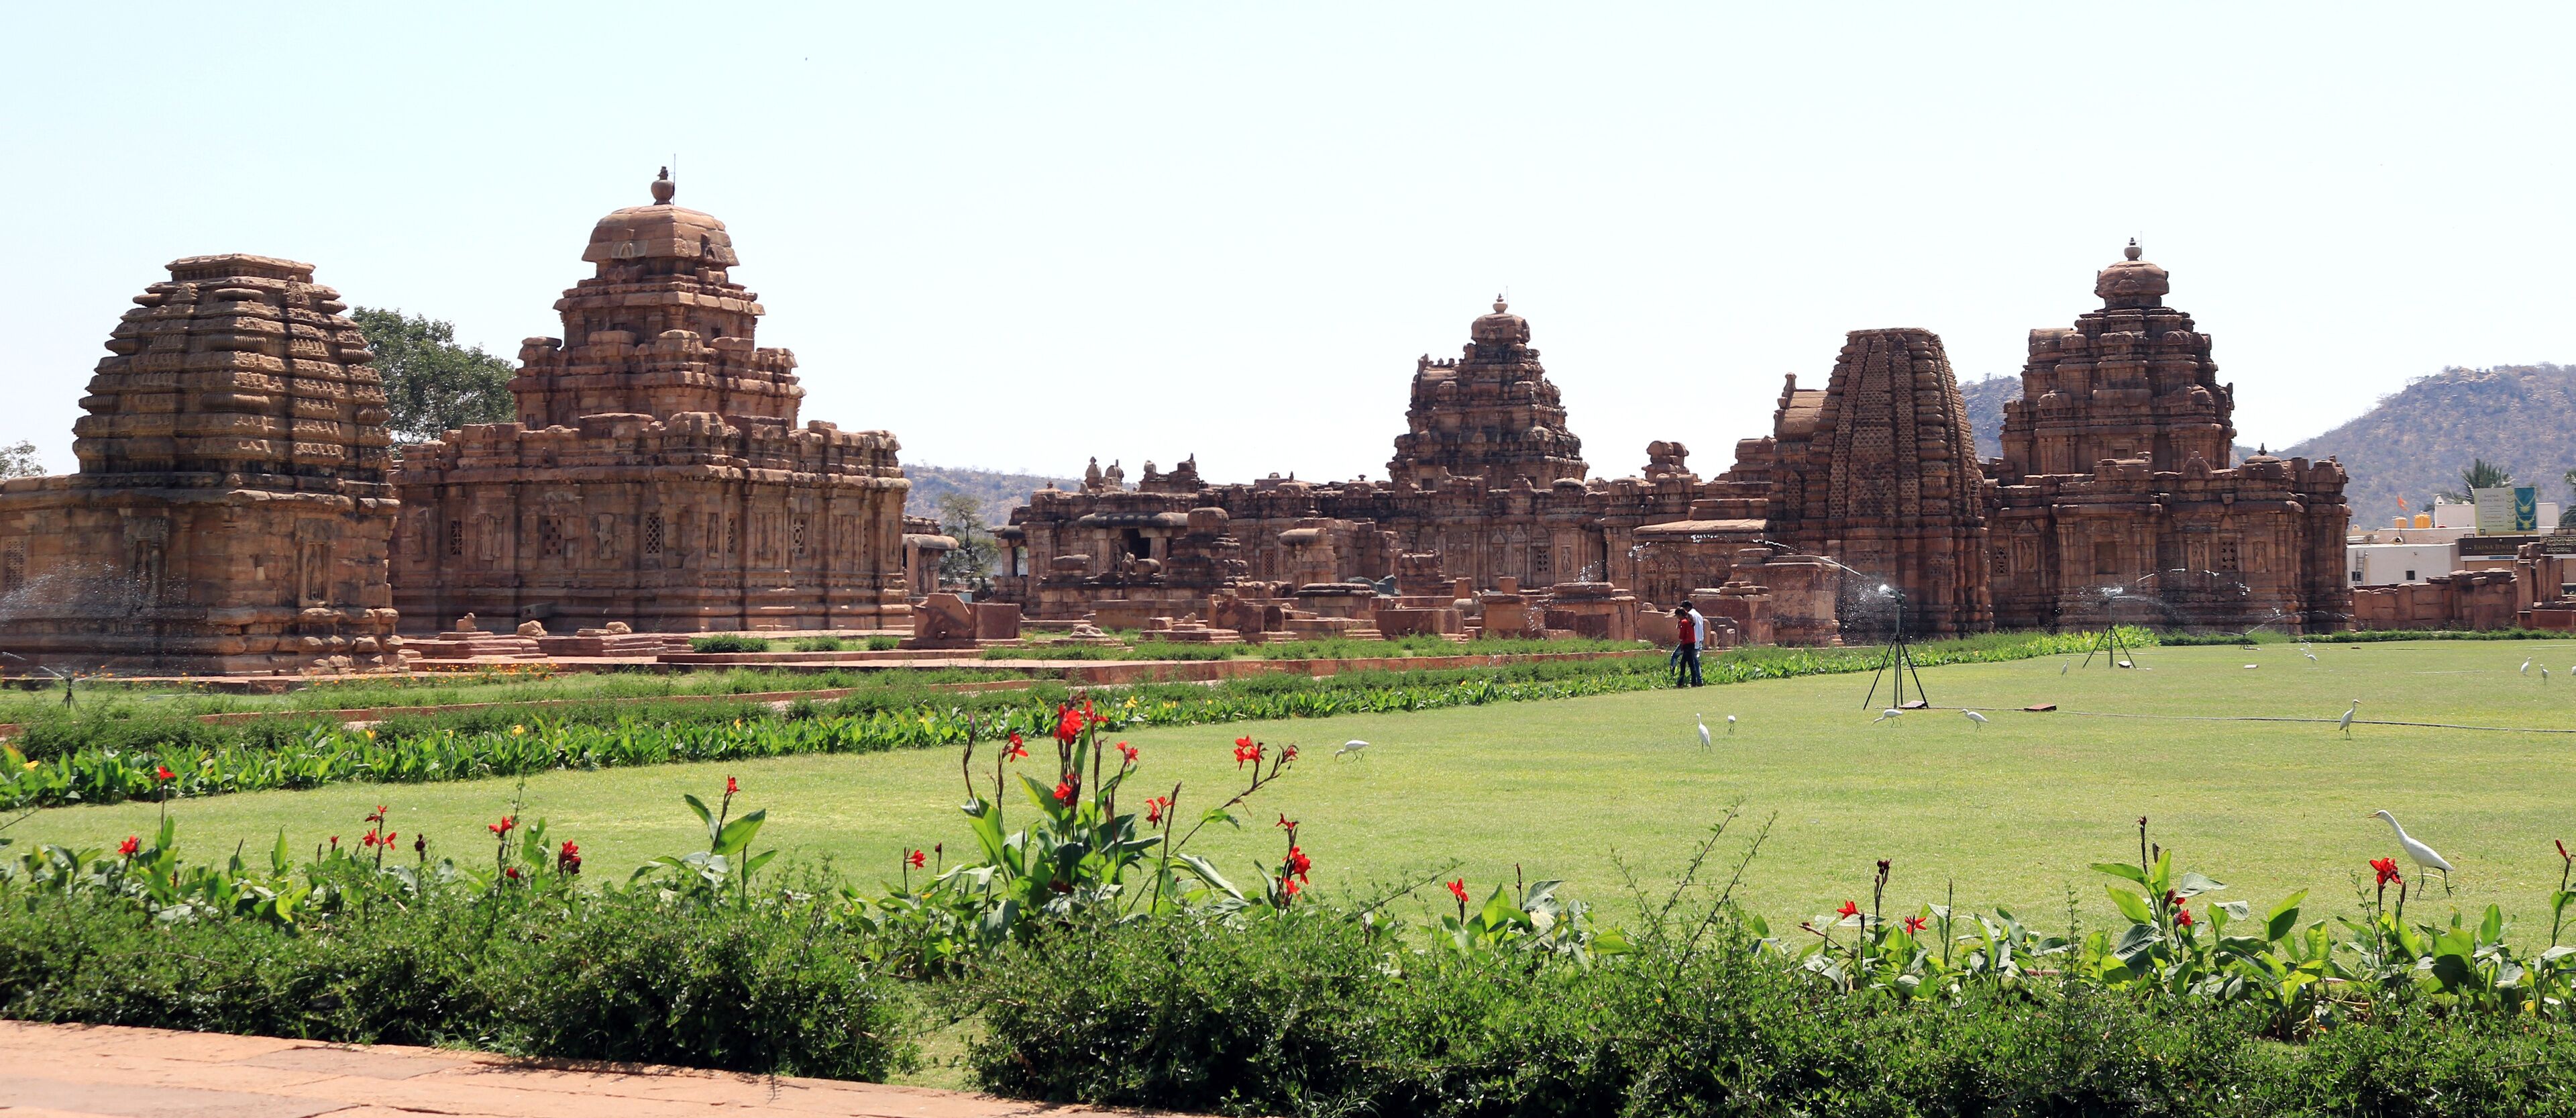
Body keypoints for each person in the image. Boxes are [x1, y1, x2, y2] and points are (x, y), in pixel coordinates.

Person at [1672, 603, 1704, 687]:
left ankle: (1680, 682)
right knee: (1691, 663)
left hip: (1687, 644)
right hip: (1692, 643)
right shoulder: (1690, 620)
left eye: (1677, 616)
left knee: (1683, 663)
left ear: (1680, 615)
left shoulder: (1684, 622)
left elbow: (1682, 636)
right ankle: (1693, 682)